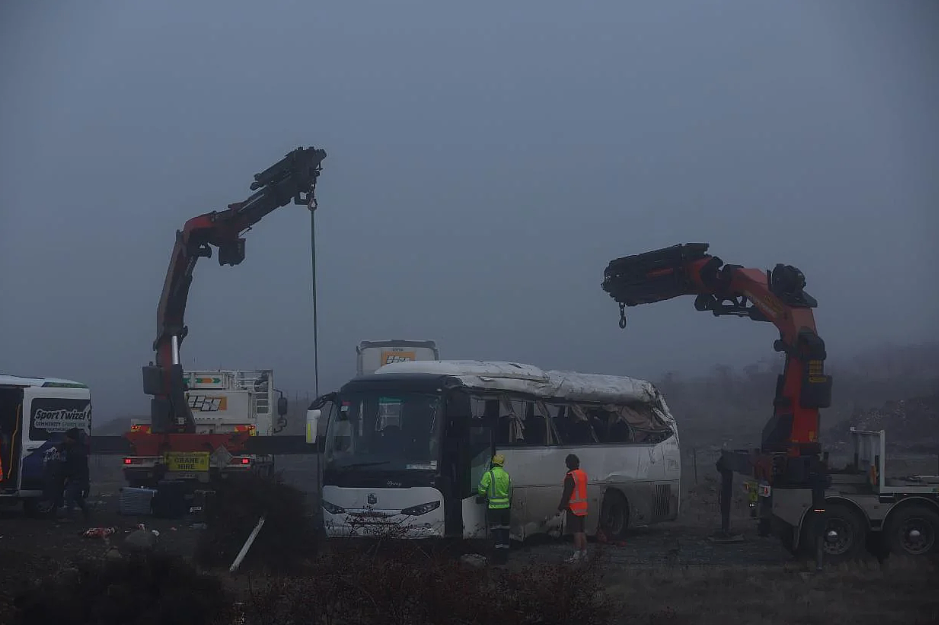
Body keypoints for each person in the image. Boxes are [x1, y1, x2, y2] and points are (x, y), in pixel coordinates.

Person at [477, 453, 512, 564]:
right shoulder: (507, 475)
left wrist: (484, 494)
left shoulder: (489, 475)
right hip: (506, 508)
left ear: (492, 462)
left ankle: (498, 558)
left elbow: (481, 491)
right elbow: (510, 492)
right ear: (502, 463)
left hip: (494, 508)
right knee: (505, 531)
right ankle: (505, 557)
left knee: (496, 532)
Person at [558, 453, 588, 563]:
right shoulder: (582, 474)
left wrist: (561, 506)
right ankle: (584, 553)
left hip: (574, 508)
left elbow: (567, 493)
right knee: (581, 530)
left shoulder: (571, 476)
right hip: (583, 507)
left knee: (576, 532)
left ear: (569, 464)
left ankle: (577, 554)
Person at [60, 428, 90, 520]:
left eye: (66, 437)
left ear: (71, 438)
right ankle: (87, 515)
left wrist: (67, 476)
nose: (65, 439)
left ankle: (70, 517)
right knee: (78, 497)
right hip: (78, 478)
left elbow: (75, 467)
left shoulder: (76, 451)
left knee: (69, 495)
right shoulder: (74, 448)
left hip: (77, 478)